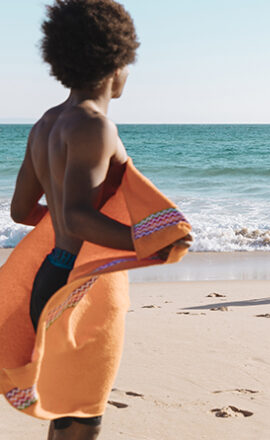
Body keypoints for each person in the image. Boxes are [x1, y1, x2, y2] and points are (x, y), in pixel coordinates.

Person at [4, 1, 190, 439]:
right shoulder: (95, 125)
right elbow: (76, 214)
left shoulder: (44, 126)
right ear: (116, 61)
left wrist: (67, 226)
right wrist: (143, 239)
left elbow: (22, 211)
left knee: (65, 412)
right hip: (84, 286)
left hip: (52, 276)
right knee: (84, 418)